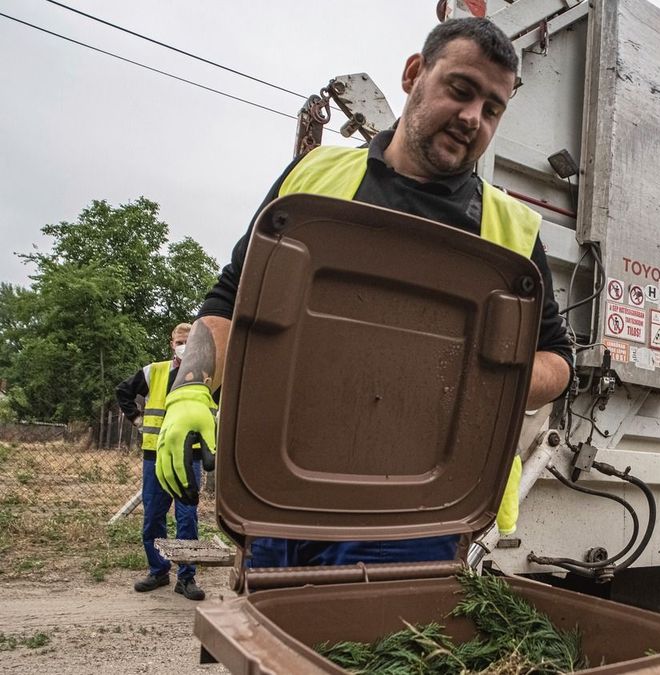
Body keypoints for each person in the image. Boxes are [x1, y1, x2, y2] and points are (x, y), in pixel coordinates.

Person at [155, 17, 572, 567]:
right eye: (461, 90)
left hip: (421, 513)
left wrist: (480, 383)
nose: (473, 118)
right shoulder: (313, 178)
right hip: (283, 499)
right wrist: (188, 391)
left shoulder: (510, 231)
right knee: (270, 650)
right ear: (413, 73)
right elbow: (231, 303)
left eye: (492, 109)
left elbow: (557, 361)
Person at [115, 323, 211, 600]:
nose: (183, 345)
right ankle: (158, 571)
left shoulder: (205, 375)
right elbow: (123, 391)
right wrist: (136, 419)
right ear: (172, 343)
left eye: (188, 341)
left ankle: (186, 577)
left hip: (188, 456)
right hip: (154, 455)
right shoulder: (153, 371)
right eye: (179, 341)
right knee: (154, 516)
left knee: (187, 518)